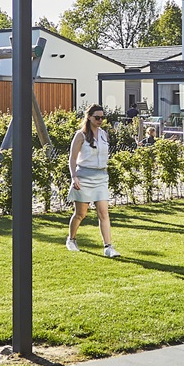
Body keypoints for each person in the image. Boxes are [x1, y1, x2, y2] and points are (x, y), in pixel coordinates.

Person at [66, 105, 118, 257]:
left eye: (102, 117)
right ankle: (71, 239)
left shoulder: (103, 134)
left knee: (104, 213)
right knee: (80, 214)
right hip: (84, 177)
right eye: (97, 117)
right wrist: (74, 176)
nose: (100, 120)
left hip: (101, 177)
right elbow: (73, 158)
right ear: (89, 117)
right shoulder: (80, 135)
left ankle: (108, 247)